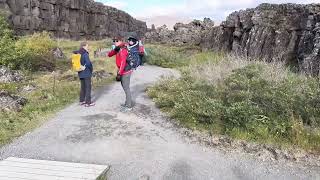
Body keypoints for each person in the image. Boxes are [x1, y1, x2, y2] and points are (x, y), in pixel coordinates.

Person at [108, 36, 134, 111]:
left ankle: (129, 106)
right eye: (114, 40)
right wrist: (114, 50)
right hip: (122, 70)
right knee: (124, 87)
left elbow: (123, 62)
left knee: (126, 88)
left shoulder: (123, 49)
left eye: (117, 41)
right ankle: (127, 103)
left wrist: (119, 73)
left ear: (121, 41)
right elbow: (109, 55)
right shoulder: (118, 48)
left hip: (126, 71)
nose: (115, 42)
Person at [75, 42, 95, 107]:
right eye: (87, 46)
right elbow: (88, 63)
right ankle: (88, 102)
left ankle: (81, 101)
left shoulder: (78, 53)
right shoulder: (85, 54)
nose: (88, 47)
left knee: (83, 87)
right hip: (86, 73)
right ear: (84, 46)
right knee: (88, 87)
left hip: (80, 72)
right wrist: (91, 69)